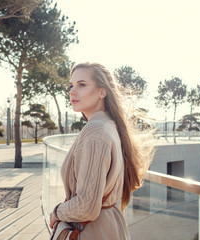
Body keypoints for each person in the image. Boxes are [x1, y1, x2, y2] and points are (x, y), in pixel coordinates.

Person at [49, 62, 152, 239]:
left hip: (93, 232)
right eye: (71, 85)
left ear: (102, 92)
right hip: (108, 227)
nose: (72, 91)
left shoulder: (96, 132)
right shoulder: (110, 126)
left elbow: (86, 206)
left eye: (82, 85)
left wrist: (57, 212)